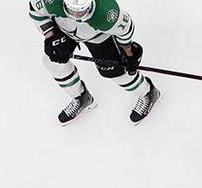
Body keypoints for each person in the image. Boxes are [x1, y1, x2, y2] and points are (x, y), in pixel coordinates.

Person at [30, 0, 161, 124]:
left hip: (98, 36)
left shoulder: (107, 13)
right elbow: (35, 10)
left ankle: (148, 92)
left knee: (118, 73)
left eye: (81, 11)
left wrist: (129, 53)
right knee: (52, 62)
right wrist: (52, 37)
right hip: (65, 28)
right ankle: (82, 97)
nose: (76, 15)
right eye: (72, 10)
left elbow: (126, 30)